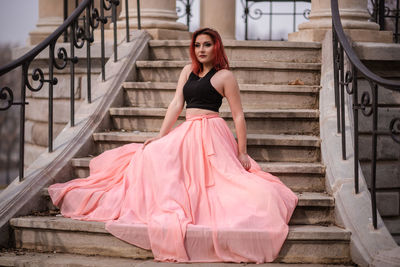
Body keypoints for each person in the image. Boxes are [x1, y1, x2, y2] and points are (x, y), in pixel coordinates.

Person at [48, 27, 298, 263]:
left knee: (227, 185)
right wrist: (160, 136)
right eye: (197, 45)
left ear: (216, 47)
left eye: (207, 45)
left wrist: (242, 152)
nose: (201, 49)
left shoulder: (225, 76)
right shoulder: (187, 70)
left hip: (212, 131)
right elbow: (177, 104)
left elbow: (238, 116)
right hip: (187, 129)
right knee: (151, 153)